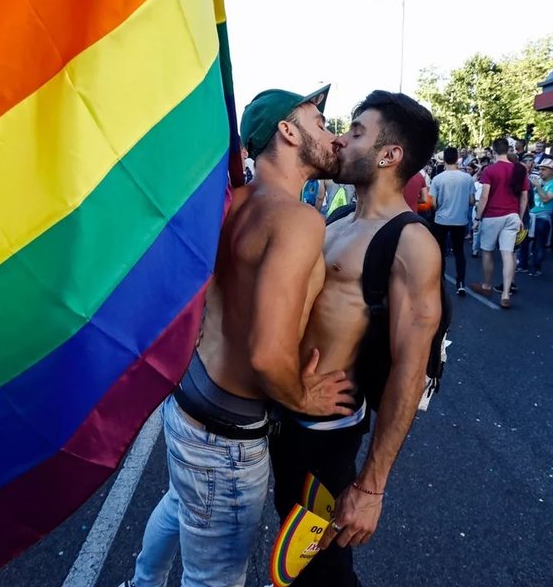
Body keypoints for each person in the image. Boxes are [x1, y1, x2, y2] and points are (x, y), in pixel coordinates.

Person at [128, 86, 356, 587]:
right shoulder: (298, 221)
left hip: (190, 400)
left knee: (181, 505)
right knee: (215, 577)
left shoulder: (230, 203)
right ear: (288, 132)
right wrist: (304, 397)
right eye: (319, 122)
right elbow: (266, 354)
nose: (334, 137)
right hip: (226, 435)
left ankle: (141, 582)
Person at [270, 91, 441, 587]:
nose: (342, 138)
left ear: (390, 156)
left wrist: (371, 486)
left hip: (326, 435)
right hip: (285, 415)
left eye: (358, 131)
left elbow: (412, 369)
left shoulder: (412, 242)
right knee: (293, 548)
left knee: (321, 565)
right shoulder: (339, 220)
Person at [471, 138, 528, 308]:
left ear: (494, 151)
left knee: (487, 251)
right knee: (508, 253)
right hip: (512, 215)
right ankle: (505, 294)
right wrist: (520, 216)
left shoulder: (490, 170)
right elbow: (524, 196)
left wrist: (477, 218)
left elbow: (484, 196)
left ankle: (487, 285)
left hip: (492, 215)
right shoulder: (518, 170)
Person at [429, 146, 476, 295]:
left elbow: (433, 203)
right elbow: (472, 200)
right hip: (460, 219)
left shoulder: (437, 179)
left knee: (440, 251)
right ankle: (460, 283)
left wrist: (440, 209)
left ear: (444, 160)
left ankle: (440, 279)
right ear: (457, 159)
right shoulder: (467, 178)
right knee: (459, 252)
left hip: (441, 219)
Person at [526, 158, 553, 276]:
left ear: (552, 171)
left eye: (544, 169)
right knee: (525, 241)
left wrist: (538, 187)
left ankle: (536, 267)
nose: (540, 172)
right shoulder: (538, 180)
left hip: (543, 217)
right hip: (530, 215)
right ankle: (523, 265)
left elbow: (546, 199)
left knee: (539, 243)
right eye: (540, 169)